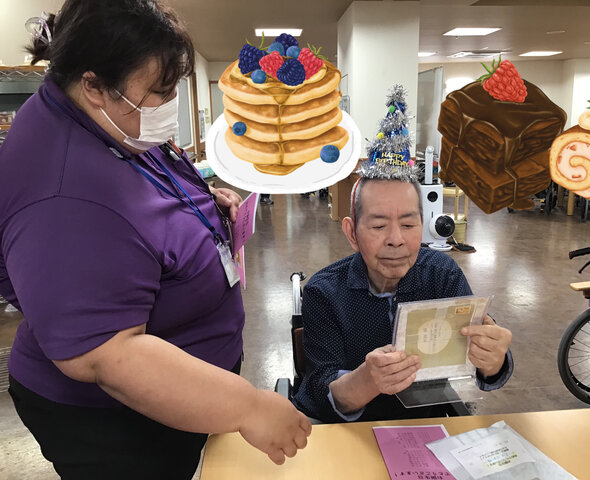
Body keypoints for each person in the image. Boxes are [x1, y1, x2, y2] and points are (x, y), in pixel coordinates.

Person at [0, 1, 310, 478]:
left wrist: (201, 204)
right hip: (116, 423)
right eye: (159, 93)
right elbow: (110, 357)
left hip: (175, 394)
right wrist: (247, 406)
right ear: (94, 86)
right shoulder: (64, 195)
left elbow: (147, 186)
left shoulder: (105, 120)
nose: (168, 106)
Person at [293, 177, 513, 423]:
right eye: (379, 226)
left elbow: (478, 359)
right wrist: (366, 381)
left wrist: (491, 361)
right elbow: (320, 390)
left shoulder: (442, 275)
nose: (396, 239)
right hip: (343, 430)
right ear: (352, 233)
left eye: (408, 224)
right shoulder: (324, 292)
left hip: (422, 424)